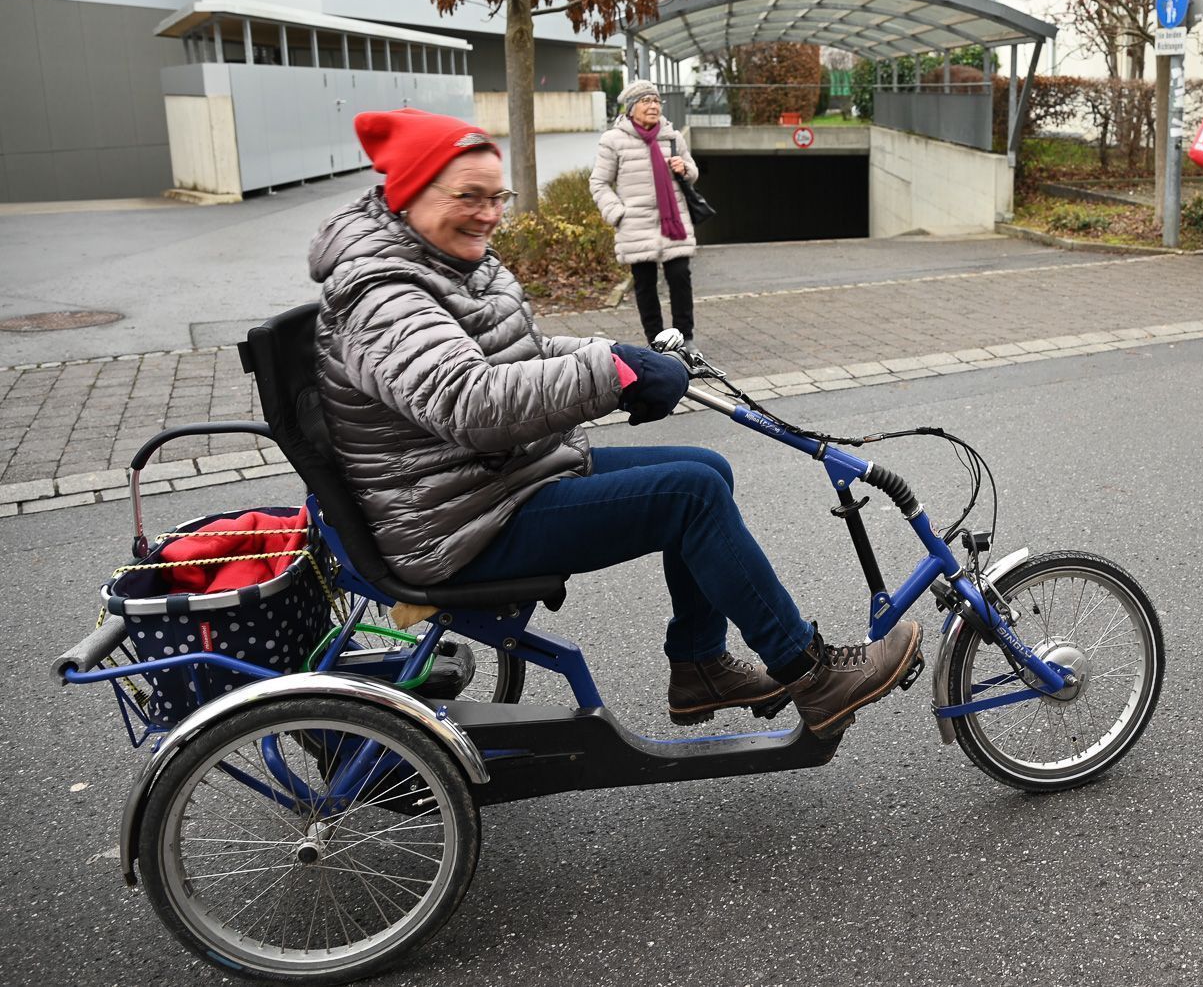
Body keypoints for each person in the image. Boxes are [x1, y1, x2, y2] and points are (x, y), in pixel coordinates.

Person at [310, 108, 921, 734]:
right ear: (409, 193)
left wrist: (623, 356)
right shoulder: (384, 292)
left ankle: (700, 665)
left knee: (707, 467)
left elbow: (524, 352)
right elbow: (472, 401)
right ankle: (810, 674)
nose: (488, 213)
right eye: (468, 196)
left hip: (493, 483)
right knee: (691, 495)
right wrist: (611, 377)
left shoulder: (448, 259)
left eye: (498, 197)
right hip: (458, 525)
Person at [591, 79, 699, 343]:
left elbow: (693, 172)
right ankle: (657, 341)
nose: (653, 106)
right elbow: (599, 182)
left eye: (656, 101)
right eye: (646, 101)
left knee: (680, 277)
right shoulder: (614, 140)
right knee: (645, 285)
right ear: (631, 108)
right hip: (635, 223)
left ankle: (685, 339)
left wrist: (684, 169)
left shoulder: (672, 136)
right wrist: (617, 213)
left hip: (672, 221)